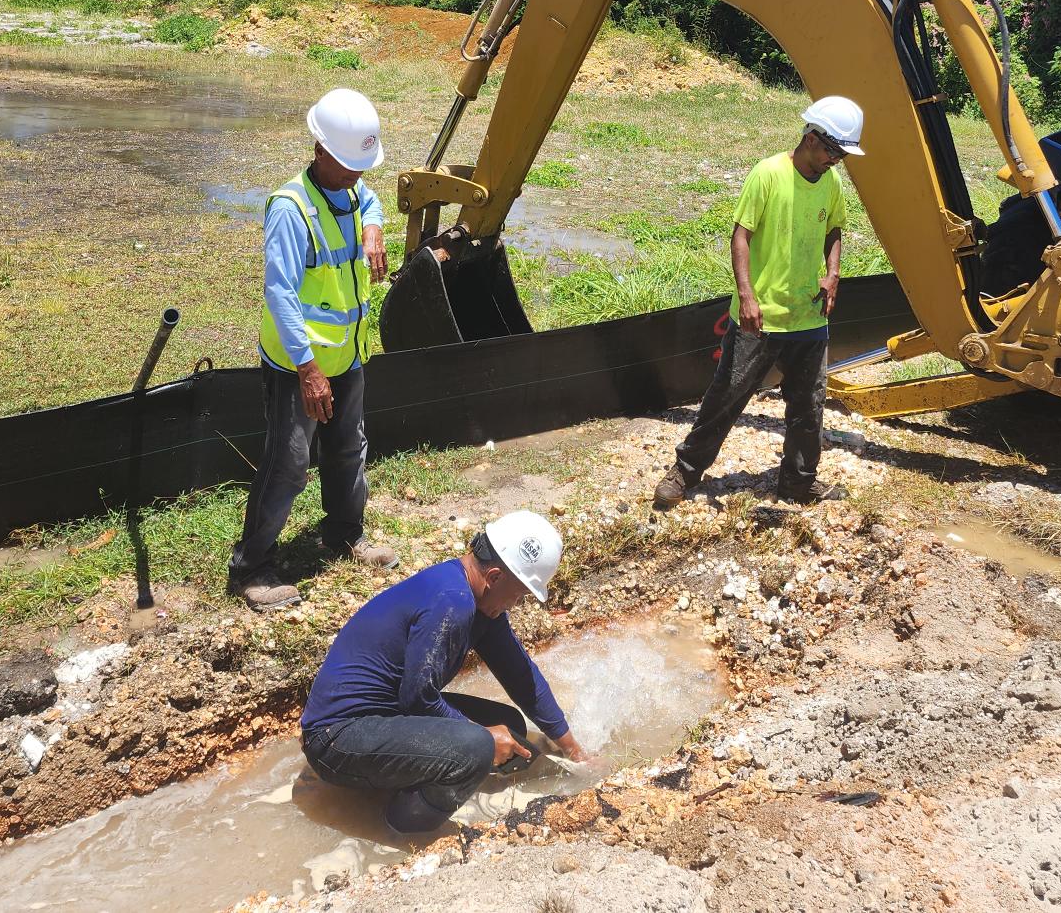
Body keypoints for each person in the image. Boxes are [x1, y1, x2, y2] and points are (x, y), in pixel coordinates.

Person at [299, 512, 588, 834]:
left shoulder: (473, 596)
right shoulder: (452, 603)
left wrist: (573, 749)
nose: (515, 605)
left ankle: (416, 778)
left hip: (385, 714)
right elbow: (418, 697)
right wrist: (481, 738)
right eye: (519, 595)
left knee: (510, 727)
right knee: (479, 745)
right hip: (337, 739)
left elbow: (521, 675)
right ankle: (406, 828)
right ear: (494, 577)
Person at [229, 88, 399, 611]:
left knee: (349, 446)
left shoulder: (349, 188)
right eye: (349, 165)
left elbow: (367, 199)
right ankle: (252, 566)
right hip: (299, 364)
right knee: (289, 463)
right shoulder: (291, 208)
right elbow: (279, 292)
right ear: (321, 150)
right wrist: (307, 369)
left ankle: (345, 533)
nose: (357, 175)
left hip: (346, 354)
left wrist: (373, 230)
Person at [653, 96, 863, 511]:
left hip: (808, 316)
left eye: (841, 154)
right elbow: (740, 236)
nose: (836, 161)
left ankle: (798, 485)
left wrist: (833, 272)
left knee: (809, 406)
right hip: (759, 318)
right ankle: (685, 471)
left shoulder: (832, 183)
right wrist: (747, 296)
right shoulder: (768, 174)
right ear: (811, 137)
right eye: (833, 151)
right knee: (727, 396)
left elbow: (835, 229)